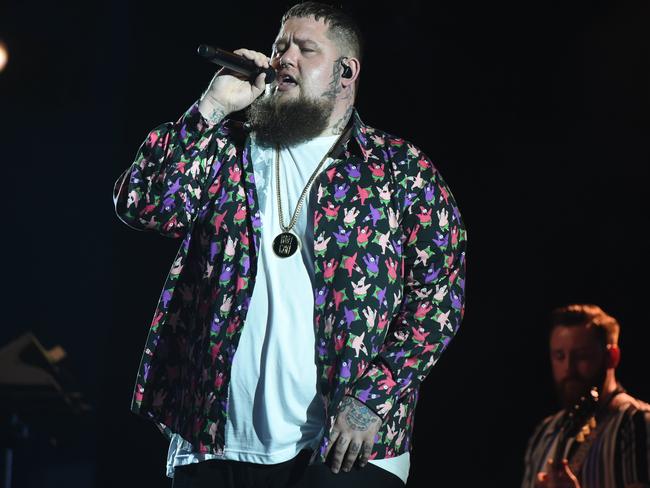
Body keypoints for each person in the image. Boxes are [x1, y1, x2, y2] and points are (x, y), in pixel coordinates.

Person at [113, 2, 466, 486]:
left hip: (344, 450)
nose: (284, 58)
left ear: (346, 70)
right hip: (216, 441)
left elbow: (440, 297)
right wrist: (213, 106)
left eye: (305, 48)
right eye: (280, 46)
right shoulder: (227, 147)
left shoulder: (399, 169)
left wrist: (373, 399)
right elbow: (144, 204)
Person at [521, 304, 650, 488]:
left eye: (582, 356)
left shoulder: (638, 424)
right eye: (559, 356)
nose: (568, 368)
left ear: (612, 357)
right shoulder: (544, 433)